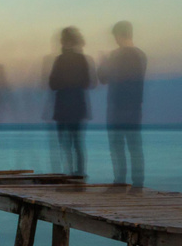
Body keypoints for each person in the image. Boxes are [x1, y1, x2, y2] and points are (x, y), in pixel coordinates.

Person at [97, 20, 146, 187]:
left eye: (116, 37)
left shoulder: (115, 56)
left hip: (117, 106)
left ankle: (119, 181)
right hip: (134, 106)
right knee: (135, 146)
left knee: (117, 146)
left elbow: (103, 78)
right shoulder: (141, 55)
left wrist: (103, 63)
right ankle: (138, 183)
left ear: (119, 35)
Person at [47, 26, 92, 176]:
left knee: (66, 142)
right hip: (76, 104)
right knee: (76, 141)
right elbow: (86, 82)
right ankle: (78, 172)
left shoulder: (60, 60)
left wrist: (63, 82)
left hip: (64, 105)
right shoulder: (81, 59)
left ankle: (69, 171)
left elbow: (53, 84)